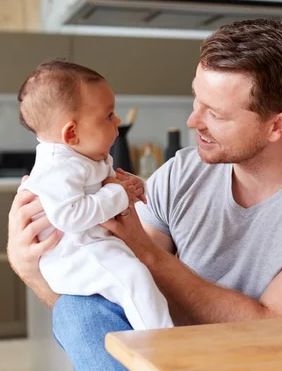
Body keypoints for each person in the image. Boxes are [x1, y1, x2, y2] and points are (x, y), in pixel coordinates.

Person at [8, 19, 282, 370]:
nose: (193, 121)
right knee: (77, 310)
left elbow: (275, 330)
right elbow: (107, 302)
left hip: (267, 363)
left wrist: (144, 250)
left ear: (279, 125)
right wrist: (32, 269)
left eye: (216, 114)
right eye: (196, 99)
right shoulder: (182, 172)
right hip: (174, 360)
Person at [15, 60, 174, 332]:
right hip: (74, 256)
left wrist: (132, 187)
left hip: (91, 246)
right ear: (72, 133)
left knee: (139, 278)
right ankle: (163, 345)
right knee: (134, 278)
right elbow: (69, 215)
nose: (118, 120)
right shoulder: (57, 168)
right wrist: (117, 193)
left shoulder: (83, 155)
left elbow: (108, 193)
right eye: (108, 116)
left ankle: (150, 338)